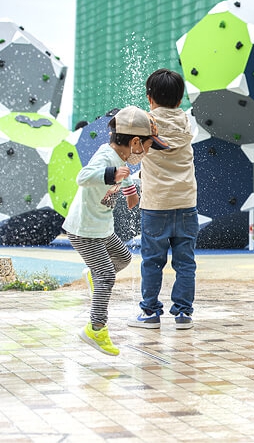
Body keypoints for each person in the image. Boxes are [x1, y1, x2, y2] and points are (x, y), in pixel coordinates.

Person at [63, 106, 167, 355]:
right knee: (107, 274)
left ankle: (93, 277)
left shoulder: (119, 159)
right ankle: (95, 329)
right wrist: (110, 175)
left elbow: (125, 175)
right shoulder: (105, 157)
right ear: (134, 143)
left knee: (123, 258)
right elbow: (83, 176)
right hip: (84, 229)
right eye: (148, 145)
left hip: (101, 227)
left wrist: (131, 192)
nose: (148, 151)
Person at [127, 68, 199, 330]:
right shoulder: (185, 122)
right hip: (186, 204)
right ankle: (183, 313)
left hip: (156, 205)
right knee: (185, 262)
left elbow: (133, 156)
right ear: (180, 101)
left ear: (150, 98)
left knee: (152, 261)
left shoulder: (146, 124)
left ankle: (150, 312)